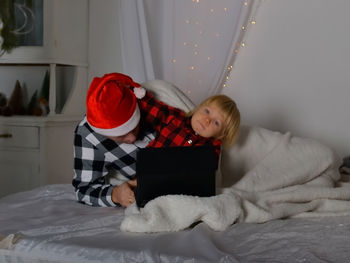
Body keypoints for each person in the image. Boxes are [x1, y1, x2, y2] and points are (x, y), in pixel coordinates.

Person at [72, 73, 155, 208]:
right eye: (121, 136)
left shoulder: (151, 101)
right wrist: (115, 194)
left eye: (134, 127)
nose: (132, 138)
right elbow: (84, 190)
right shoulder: (88, 134)